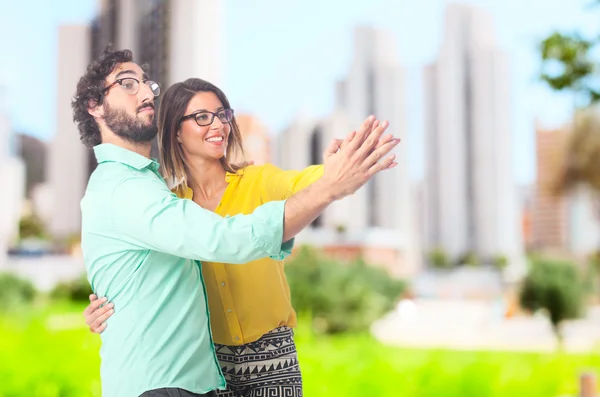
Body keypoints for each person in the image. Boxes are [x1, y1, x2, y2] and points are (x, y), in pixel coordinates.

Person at [74, 46, 399, 397]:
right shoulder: (154, 196)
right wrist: (111, 307)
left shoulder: (253, 181)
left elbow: (299, 183)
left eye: (222, 115)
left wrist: (332, 174)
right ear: (176, 132)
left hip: (264, 364)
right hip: (210, 368)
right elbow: (220, 241)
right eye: (201, 117)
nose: (217, 124)